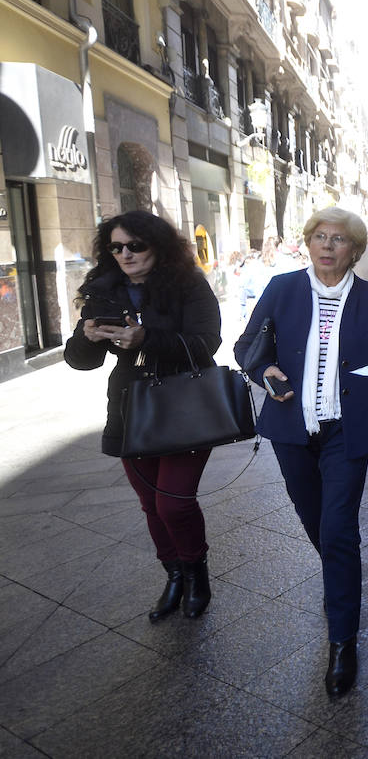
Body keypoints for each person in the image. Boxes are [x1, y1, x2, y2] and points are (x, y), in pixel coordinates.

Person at [233, 207, 368, 698]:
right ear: (308, 243)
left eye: (340, 239)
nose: (328, 246)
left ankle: (342, 639)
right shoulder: (283, 289)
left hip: (346, 432)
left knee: (338, 530)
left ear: (356, 249)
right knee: (317, 525)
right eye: (320, 237)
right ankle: (341, 580)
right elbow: (247, 347)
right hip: (291, 431)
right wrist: (265, 373)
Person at [63, 211, 222, 623]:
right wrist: (86, 336)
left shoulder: (188, 286)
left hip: (183, 405)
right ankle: (174, 575)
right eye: (116, 247)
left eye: (135, 245)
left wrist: (147, 338)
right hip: (130, 407)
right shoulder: (104, 290)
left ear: (159, 246)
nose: (125, 254)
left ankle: (196, 572)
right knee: (151, 503)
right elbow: (80, 362)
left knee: (173, 503)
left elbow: (206, 345)